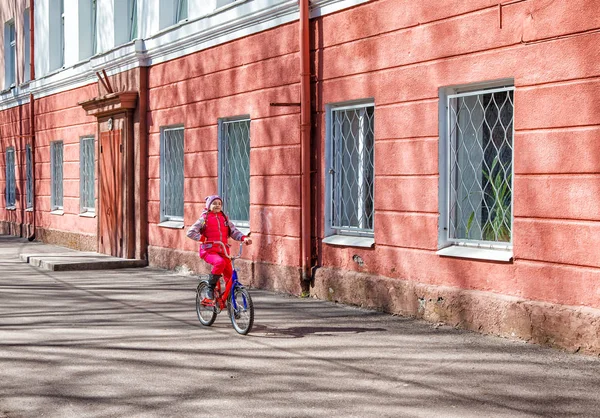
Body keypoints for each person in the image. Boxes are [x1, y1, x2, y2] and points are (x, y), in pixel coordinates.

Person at [186, 195, 252, 300]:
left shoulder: (224, 218)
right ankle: (210, 287)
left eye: (219, 204)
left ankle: (230, 303)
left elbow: (234, 232)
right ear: (208, 205)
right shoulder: (204, 219)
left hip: (223, 251)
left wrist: (244, 238)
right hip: (208, 251)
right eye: (214, 203)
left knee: (230, 276)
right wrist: (203, 238)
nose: (217, 206)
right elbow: (190, 232)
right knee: (219, 262)